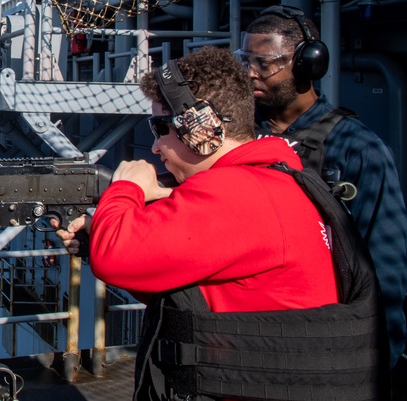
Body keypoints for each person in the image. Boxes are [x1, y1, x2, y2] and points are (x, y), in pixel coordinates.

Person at [56, 46, 386, 399]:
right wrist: (100, 237)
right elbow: (183, 283)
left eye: (161, 128)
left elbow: (116, 259)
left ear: (200, 127)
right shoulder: (276, 181)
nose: (155, 147)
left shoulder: (238, 193)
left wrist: (125, 187)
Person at [239, 5, 407, 384]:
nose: (250, 72)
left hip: (323, 344)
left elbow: (387, 264)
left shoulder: (358, 148)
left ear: (306, 65)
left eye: (264, 63)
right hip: (251, 340)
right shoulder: (238, 136)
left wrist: (382, 361)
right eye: (245, 59)